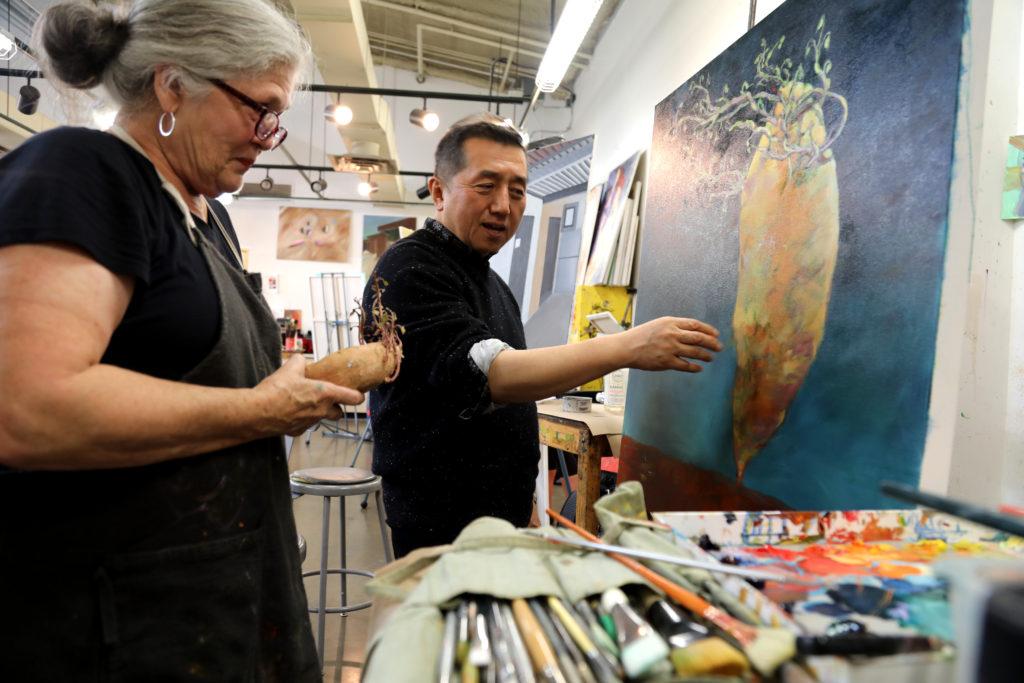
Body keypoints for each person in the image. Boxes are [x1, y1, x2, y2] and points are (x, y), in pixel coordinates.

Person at [0, 1, 361, 679]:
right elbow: (26, 406)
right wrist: (259, 410)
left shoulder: (207, 216)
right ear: (173, 85)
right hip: (111, 625)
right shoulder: (83, 171)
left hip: (212, 600)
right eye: (261, 109)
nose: (268, 135)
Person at [363, 114, 723, 558]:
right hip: (442, 525)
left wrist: (525, 498)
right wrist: (628, 346)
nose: (503, 205)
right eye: (486, 185)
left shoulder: (493, 286)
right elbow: (490, 375)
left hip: (498, 518)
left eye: (517, 191)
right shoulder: (410, 269)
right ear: (438, 191)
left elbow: (508, 406)